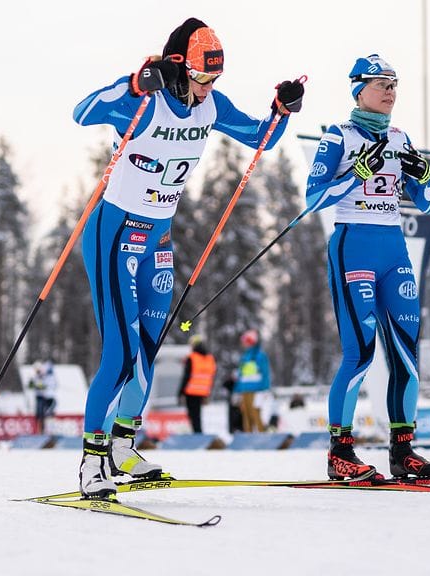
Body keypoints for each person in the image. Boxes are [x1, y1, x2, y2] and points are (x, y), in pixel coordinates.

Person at [72, 17, 304, 498]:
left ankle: (122, 446)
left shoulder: (210, 105)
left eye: (213, 80)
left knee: (149, 349)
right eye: (200, 78)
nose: (206, 90)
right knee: (120, 352)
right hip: (114, 232)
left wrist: (282, 109)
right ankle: (92, 461)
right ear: (178, 67)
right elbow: (82, 112)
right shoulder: (143, 100)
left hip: (158, 239)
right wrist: (134, 83)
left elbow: (261, 137)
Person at [305, 54, 430, 480]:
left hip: (393, 250)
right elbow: (313, 197)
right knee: (361, 351)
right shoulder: (339, 137)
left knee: (406, 353)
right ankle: (339, 451)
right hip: (353, 246)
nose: (390, 91)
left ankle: (403, 451)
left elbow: (428, 203)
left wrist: (422, 176)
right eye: (382, 83)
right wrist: (354, 174)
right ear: (359, 90)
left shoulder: (401, 138)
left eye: (394, 84)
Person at [178, 335, 216, 434]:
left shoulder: (192, 358)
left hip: (191, 391)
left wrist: (180, 392)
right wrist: (208, 392)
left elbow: (187, 376)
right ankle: (198, 433)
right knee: (198, 415)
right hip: (203, 391)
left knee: (193, 415)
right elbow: (212, 376)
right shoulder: (210, 358)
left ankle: (197, 435)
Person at [235, 330, 271, 433]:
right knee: (246, 415)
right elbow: (241, 375)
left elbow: (265, 373)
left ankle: (262, 434)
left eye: (245, 342)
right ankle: (248, 436)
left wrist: (265, 389)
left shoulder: (260, 356)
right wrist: (237, 390)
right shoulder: (245, 357)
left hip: (257, 390)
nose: (244, 344)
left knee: (256, 413)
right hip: (245, 390)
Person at [28, 360, 58, 434]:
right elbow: (30, 385)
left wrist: (40, 386)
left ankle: (45, 430)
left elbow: (48, 385)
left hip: (45, 398)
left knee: (46, 414)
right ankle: (39, 431)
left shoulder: (46, 376)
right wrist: (35, 384)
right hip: (39, 397)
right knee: (39, 415)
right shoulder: (35, 377)